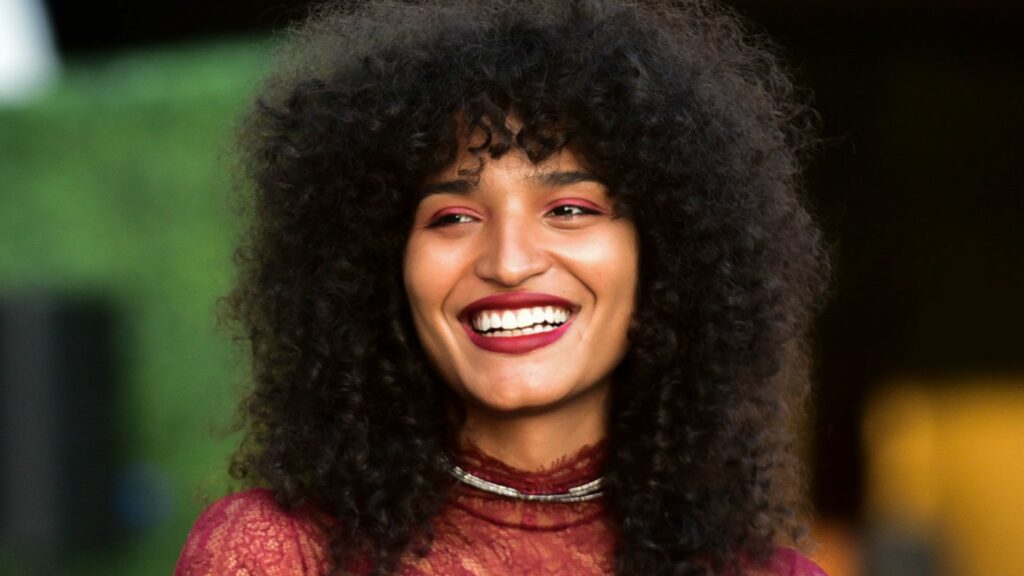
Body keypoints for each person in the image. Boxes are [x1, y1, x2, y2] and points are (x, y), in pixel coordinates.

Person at [175, 0, 830, 574]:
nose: (509, 262)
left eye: (570, 210)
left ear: (666, 256)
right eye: (453, 218)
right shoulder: (274, 556)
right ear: (379, 267)